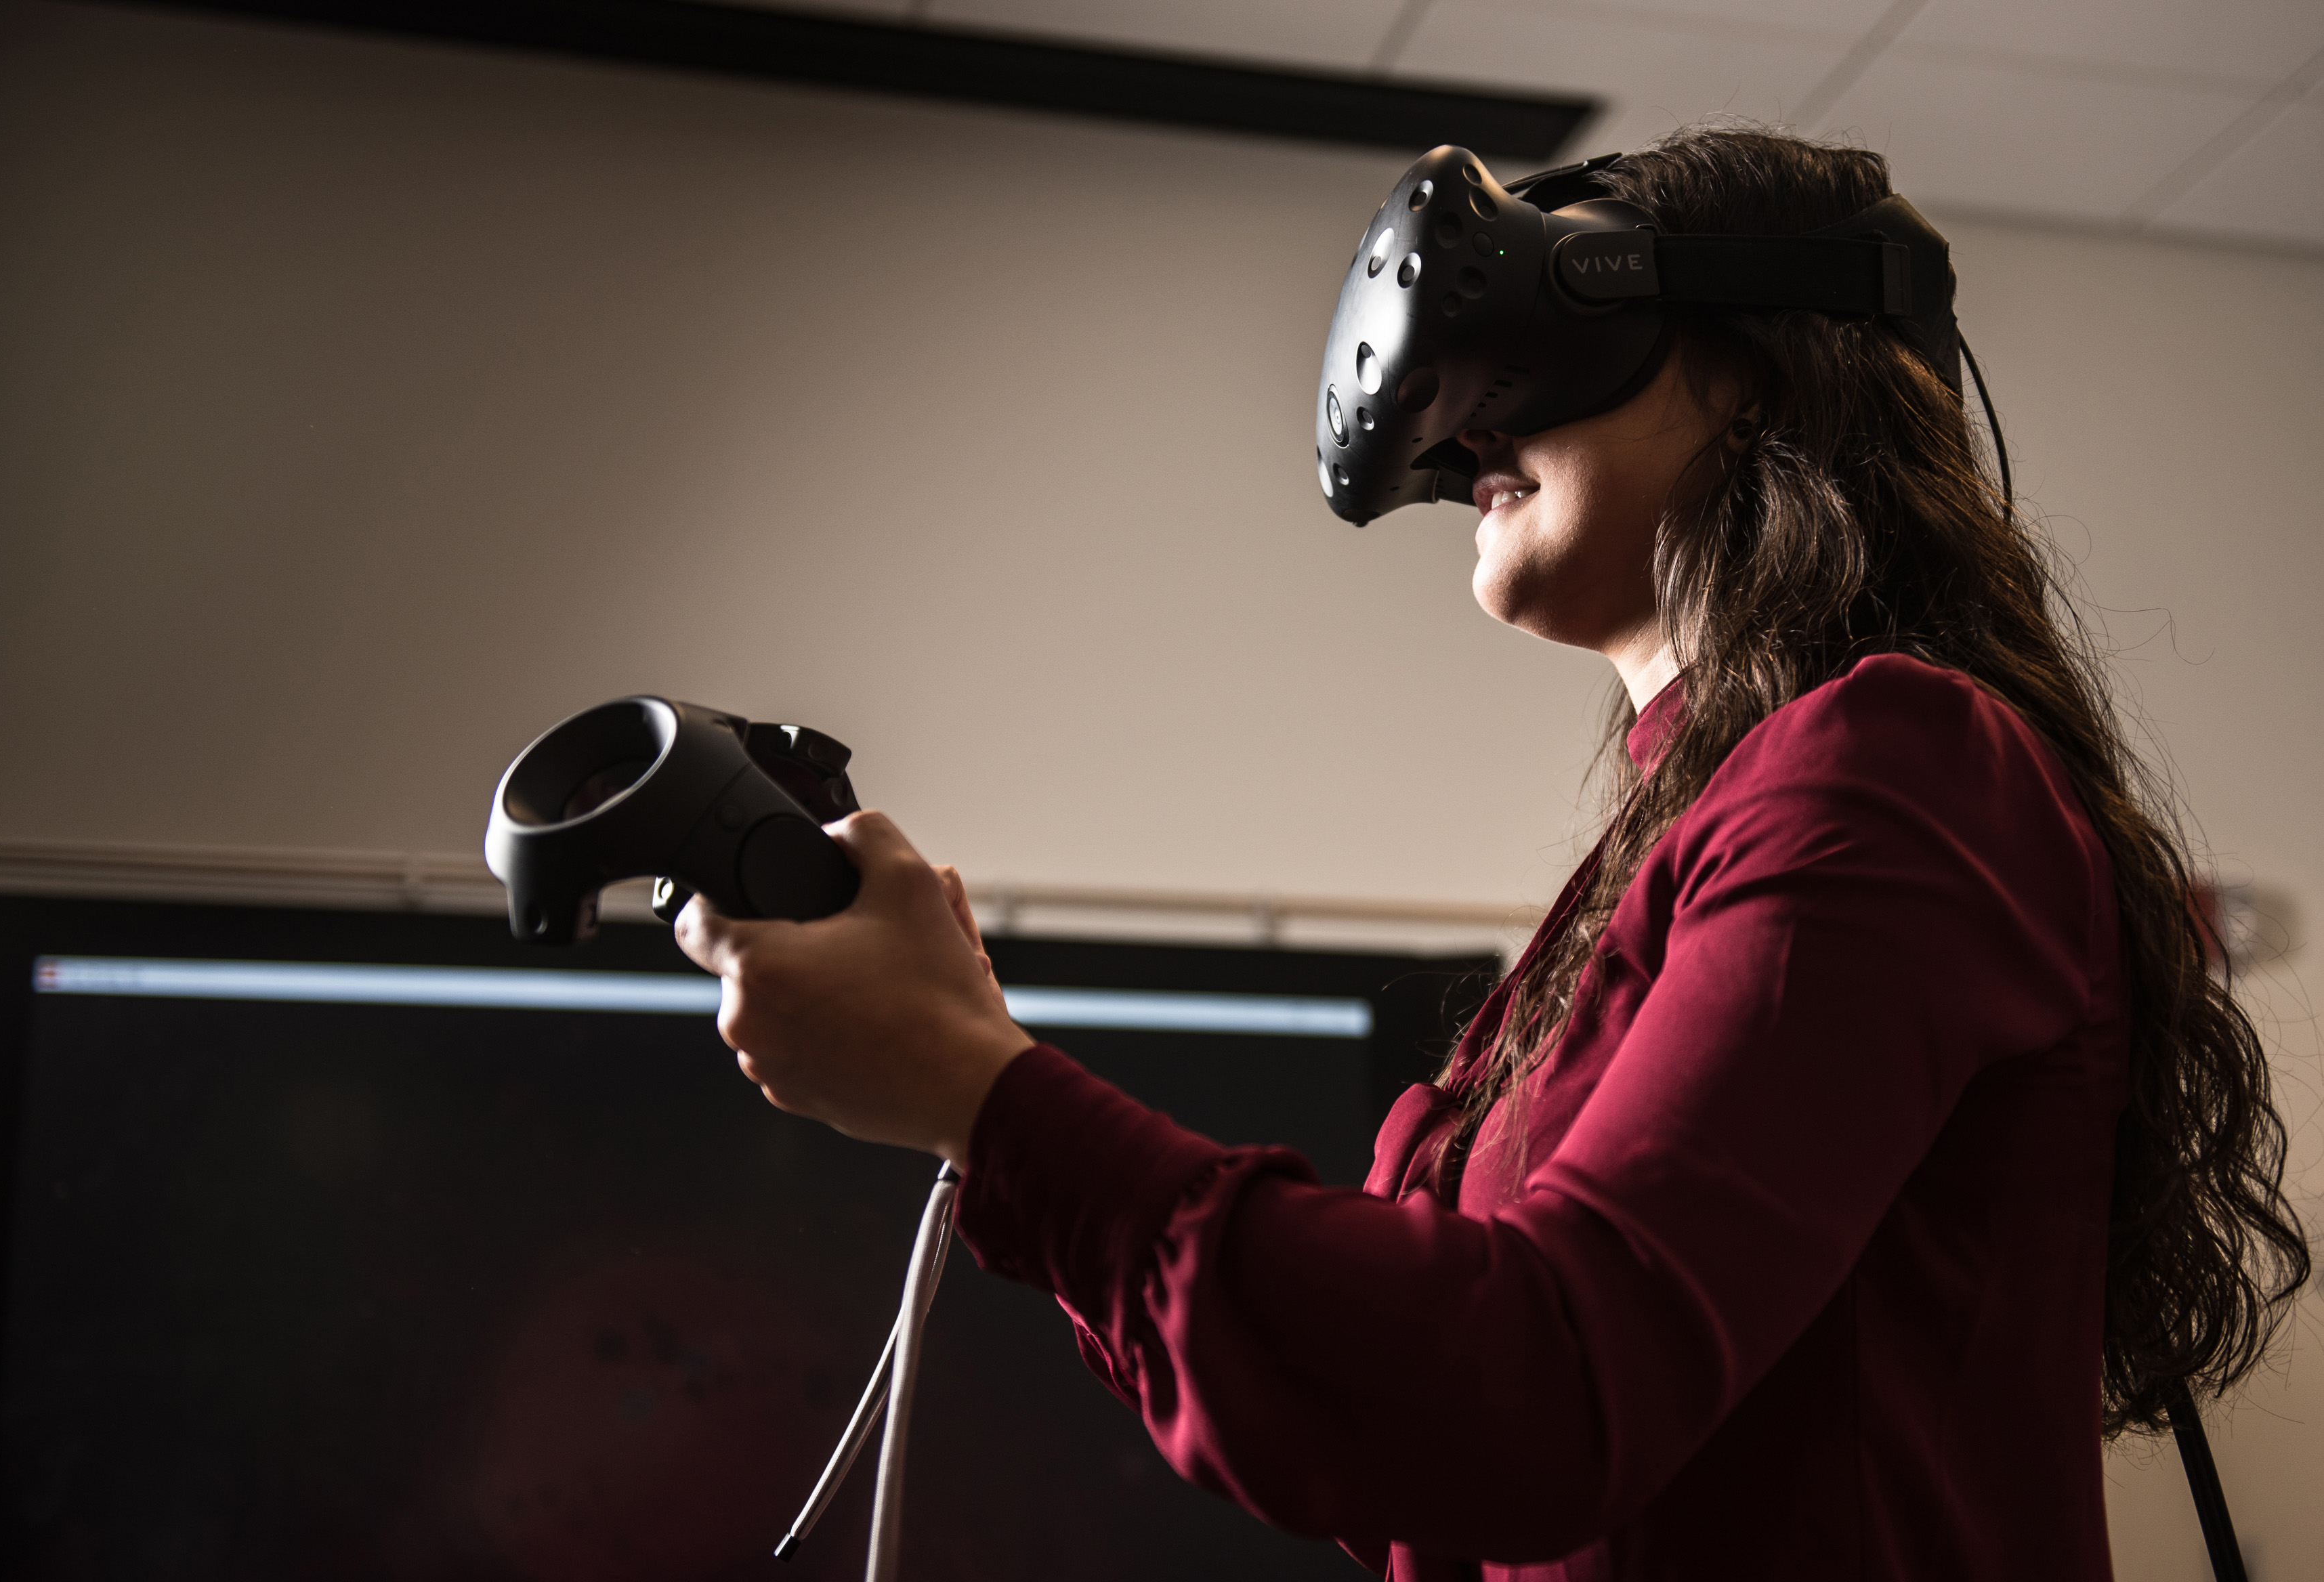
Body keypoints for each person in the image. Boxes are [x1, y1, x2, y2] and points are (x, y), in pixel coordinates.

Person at [675, 127, 2310, 1579]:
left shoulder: (1894, 771)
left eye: (1544, 343)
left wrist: (984, 1089)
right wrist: (975, 1069)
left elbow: (1541, 1394)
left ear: (1755, 365)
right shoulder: (1701, 832)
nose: (1462, 442)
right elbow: (1423, 1441)